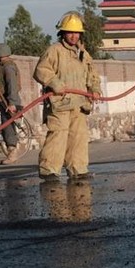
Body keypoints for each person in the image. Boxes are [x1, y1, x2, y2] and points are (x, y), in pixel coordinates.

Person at [34, 12, 102, 181]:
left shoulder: (83, 54)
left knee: (78, 137)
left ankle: (78, 169)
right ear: (63, 33)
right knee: (58, 135)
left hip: (79, 103)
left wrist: (95, 89)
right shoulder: (54, 51)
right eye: (70, 32)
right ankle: (49, 169)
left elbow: (92, 74)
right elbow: (41, 70)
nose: (73, 36)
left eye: (76, 32)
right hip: (60, 103)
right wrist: (55, 83)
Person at [0, 43, 27, 165]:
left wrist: (12, 103)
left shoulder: (8, 67)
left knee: (8, 128)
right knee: (6, 127)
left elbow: (12, 86)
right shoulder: (2, 66)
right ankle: (12, 151)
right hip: (3, 101)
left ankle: (12, 153)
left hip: (9, 103)